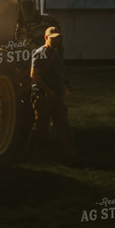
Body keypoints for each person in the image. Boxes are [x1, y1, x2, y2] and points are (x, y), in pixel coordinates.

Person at [26, 26, 79, 165]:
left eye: (58, 38)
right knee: (40, 126)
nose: (56, 41)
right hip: (42, 96)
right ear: (46, 38)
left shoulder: (56, 53)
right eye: (53, 38)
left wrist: (66, 82)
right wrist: (49, 92)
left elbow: (57, 71)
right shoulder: (39, 53)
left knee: (63, 125)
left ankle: (71, 157)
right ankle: (29, 155)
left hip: (57, 95)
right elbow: (34, 76)